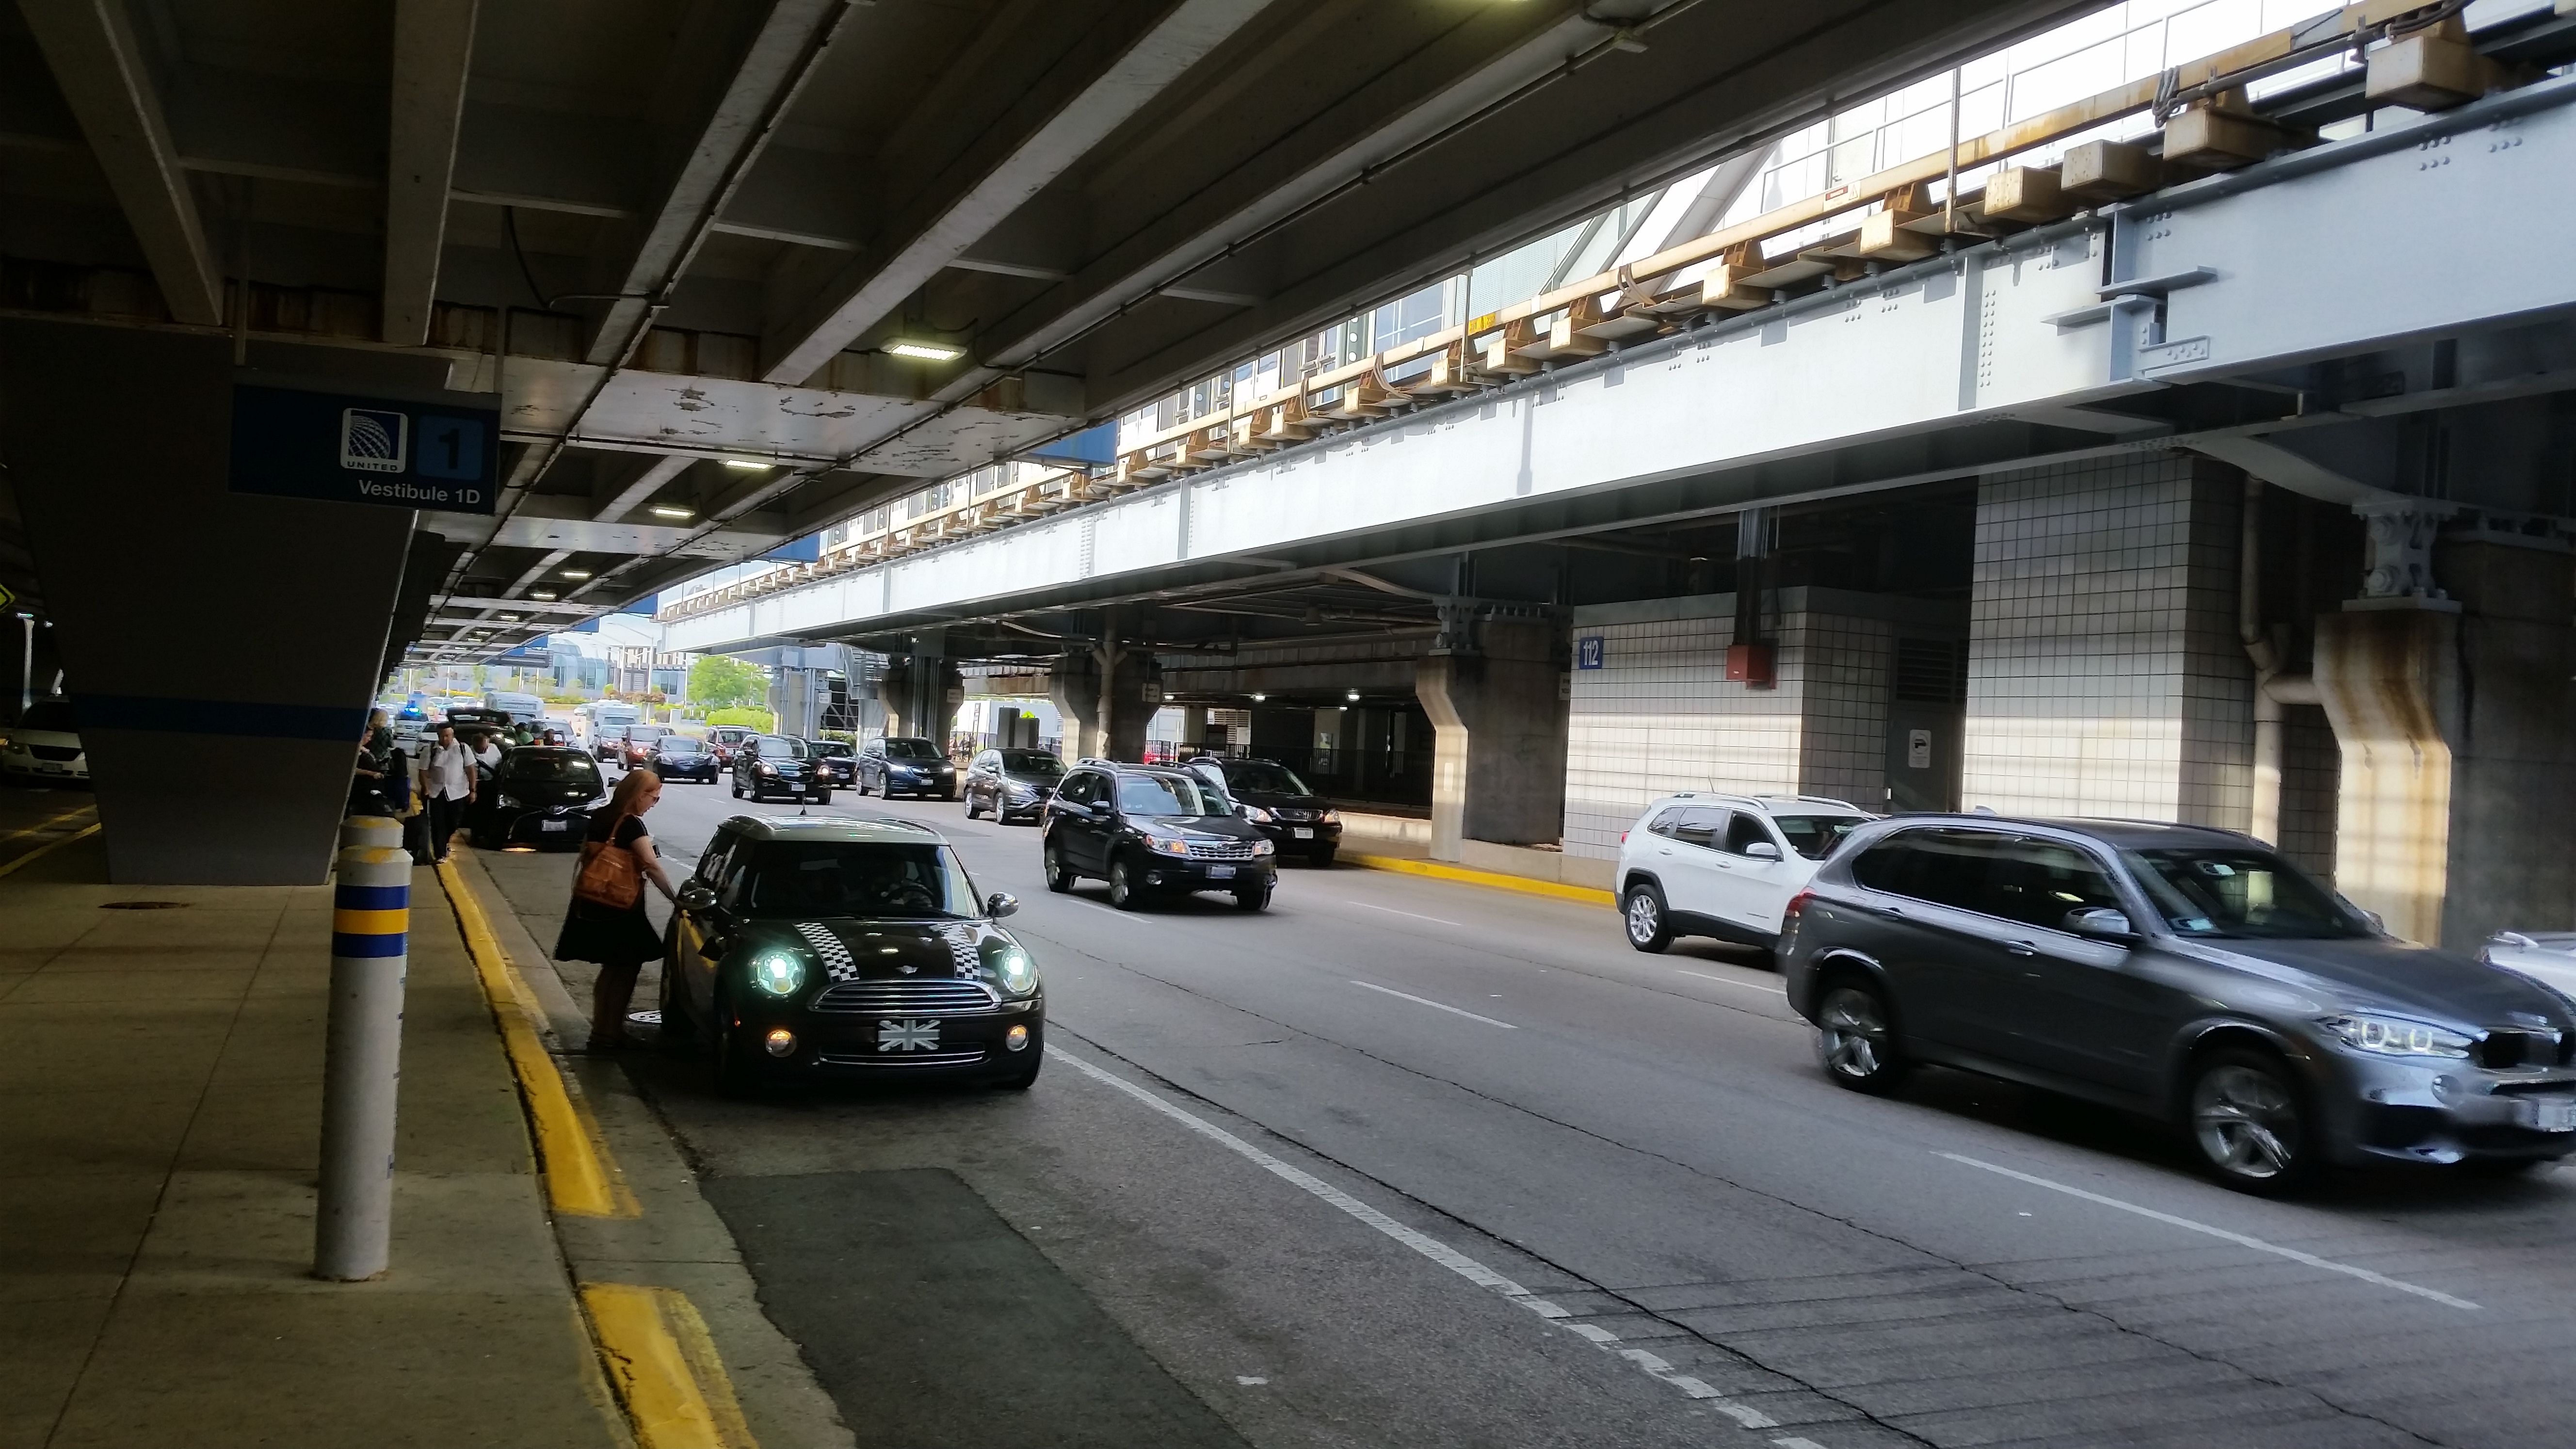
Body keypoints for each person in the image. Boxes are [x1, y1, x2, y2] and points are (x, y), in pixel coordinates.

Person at [556, 768, 677, 1050]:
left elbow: (587, 854)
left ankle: (602, 1030)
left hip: (592, 900)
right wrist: (675, 899)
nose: (653, 804)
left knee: (610, 970)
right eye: (653, 798)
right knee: (625, 969)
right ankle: (611, 1033)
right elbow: (651, 865)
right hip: (621, 906)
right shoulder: (632, 825)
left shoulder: (600, 817)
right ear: (639, 795)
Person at [421, 723, 477, 863]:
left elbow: (471, 770)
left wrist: (473, 790)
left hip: (458, 792)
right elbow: (422, 771)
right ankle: (440, 853)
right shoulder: (430, 750)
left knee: (453, 822)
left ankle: (444, 842)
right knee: (438, 823)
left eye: (448, 735)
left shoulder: (463, 749)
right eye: (442, 736)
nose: (445, 739)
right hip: (437, 791)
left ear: (453, 735)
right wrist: (426, 787)